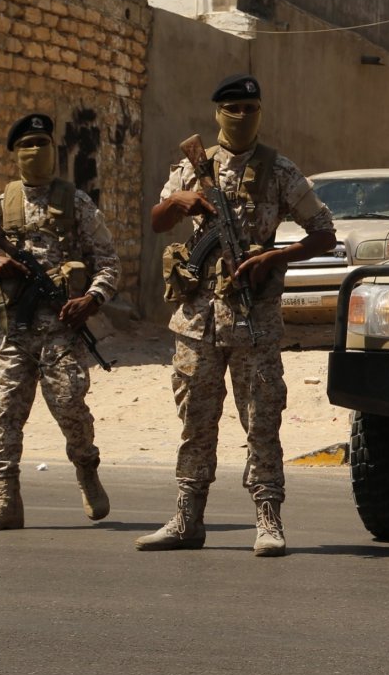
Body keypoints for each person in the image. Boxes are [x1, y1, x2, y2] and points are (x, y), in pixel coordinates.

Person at [137, 74, 336, 557]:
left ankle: (268, 519)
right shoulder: (192, 165)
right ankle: (188, 518)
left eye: (251, 107)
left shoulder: (281, 170)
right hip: (196, 321)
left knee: (262, 422)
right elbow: (158, 221)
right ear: (217, 112)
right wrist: (178, 200)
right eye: (233, 107)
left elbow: (324, 233)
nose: (243, 116)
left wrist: (275, 257)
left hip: (254, 320)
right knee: (196, 423)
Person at [0, 112, 119, 531]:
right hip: (14, 330)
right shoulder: (2, 204)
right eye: (27, 145)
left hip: (61, 331)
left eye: (43, 143)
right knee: (5, 415)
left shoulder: (77, 203)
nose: (36, 151)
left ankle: (86, 468)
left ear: (54, 150)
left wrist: (92, 297)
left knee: (70, 406)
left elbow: (108, 262)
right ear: (16, 154)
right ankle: (6, 500)